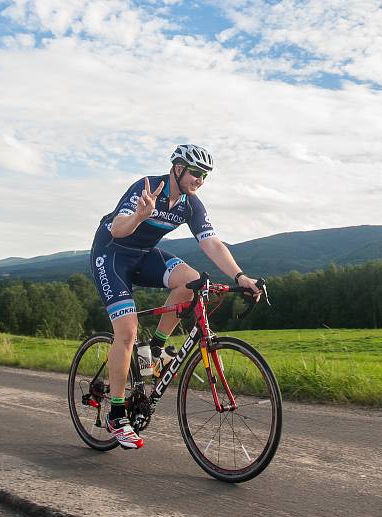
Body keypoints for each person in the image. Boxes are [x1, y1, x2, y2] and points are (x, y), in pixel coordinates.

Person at [90, 144, 261, 449]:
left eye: (205, 176)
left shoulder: (190, 204)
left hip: (143, 255)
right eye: (196, 173)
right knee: (127, 333)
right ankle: (117, 415)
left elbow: (212, 244)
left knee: (194, 282)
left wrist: (240, 276)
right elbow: (117, 229)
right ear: (178, 169)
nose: (200, 180)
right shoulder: (148, 188)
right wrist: (140, 215)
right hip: (112, 255)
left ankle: (155, 350)